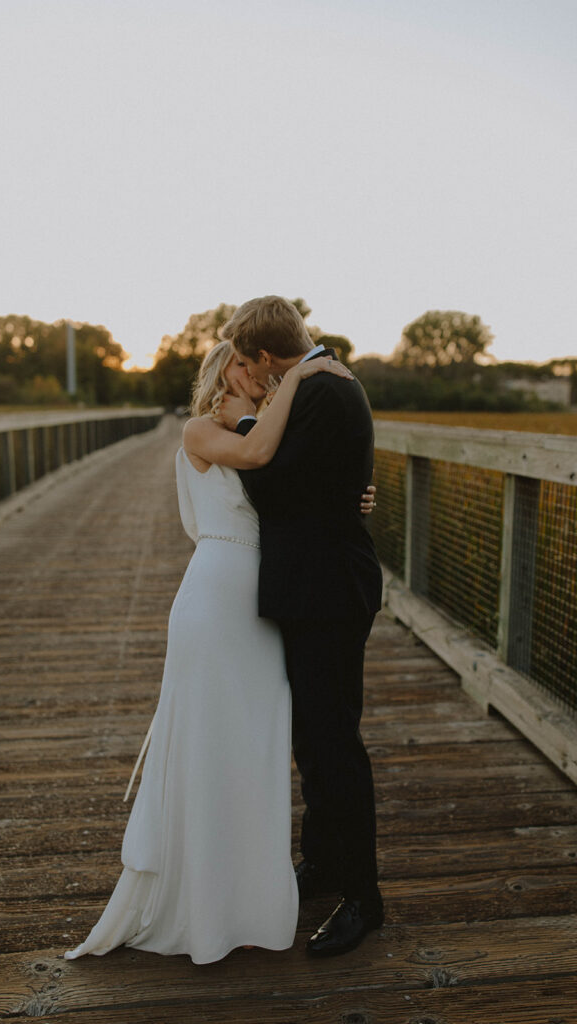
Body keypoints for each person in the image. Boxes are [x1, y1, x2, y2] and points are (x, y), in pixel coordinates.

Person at [63, 340, 372, 966]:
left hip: (264, 603)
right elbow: (258, 455)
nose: (253, 373)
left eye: (256, 366)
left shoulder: (264, 426)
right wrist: (305, 371)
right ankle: (201, 900)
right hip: (216, 598)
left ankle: (251, 892)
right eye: (239, 364)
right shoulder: (202, 429)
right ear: (218, 372)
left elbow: (301, 482)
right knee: (208, 742)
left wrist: (356, 497)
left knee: (254, 745)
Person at [218, 295, 384, 958]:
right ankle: (320, 865)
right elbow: (314, 480)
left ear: (264, 356)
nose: (239, 369)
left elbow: (277, 489)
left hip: (328, 591)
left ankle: (363, 897)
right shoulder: (314, 385)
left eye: (241, 358)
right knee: (312, 739)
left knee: (334, 743)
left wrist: (246, 420)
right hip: (309, 586)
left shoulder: (324, 389)